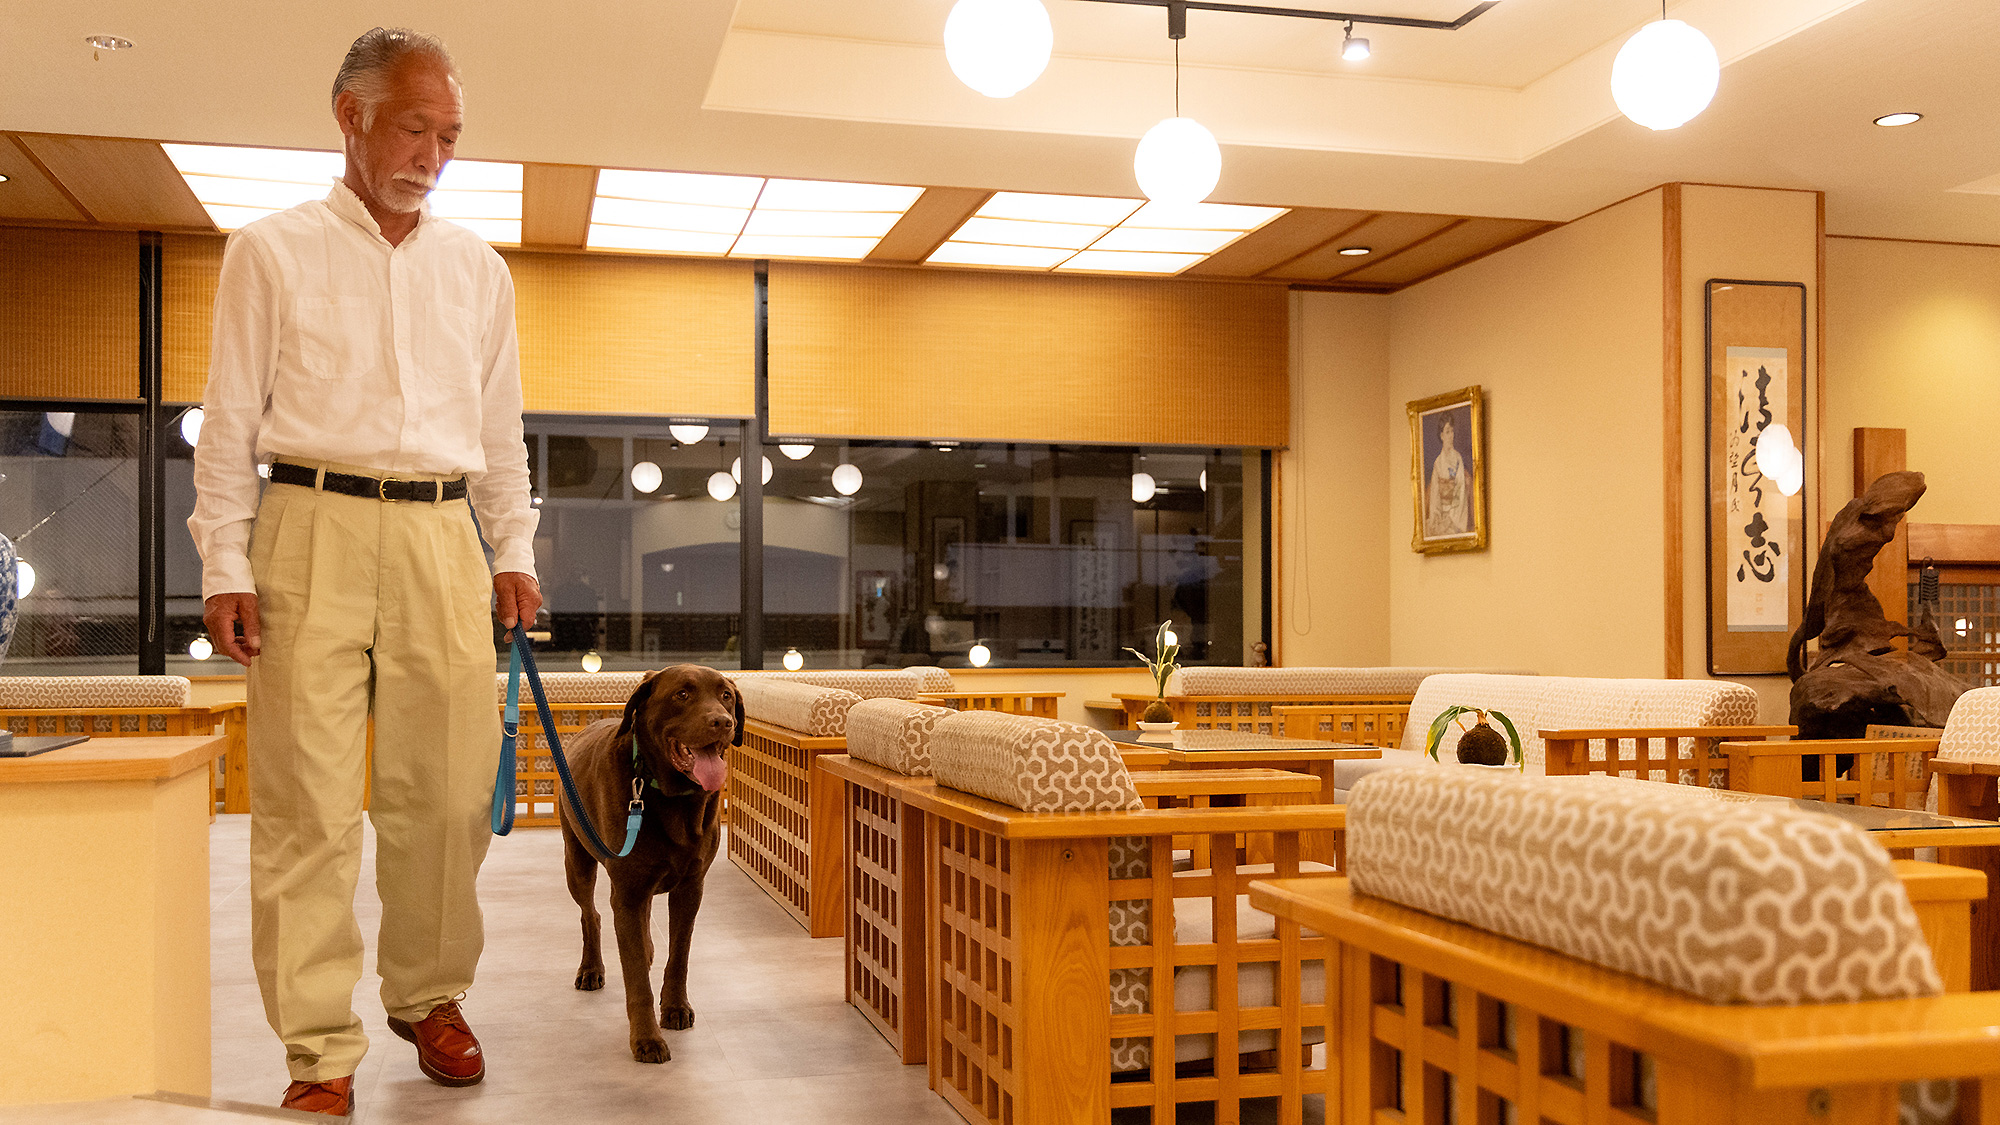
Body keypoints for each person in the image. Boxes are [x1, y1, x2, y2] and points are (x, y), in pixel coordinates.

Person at [187, 27, 540, 1118]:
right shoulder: (271, 250)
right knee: (306, 806)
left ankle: (429, 994)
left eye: (449, 135)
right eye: (414, 126)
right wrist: (224, 563)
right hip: (308, 529)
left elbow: (499, 429)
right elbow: (228, 423)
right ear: (349, 115)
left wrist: (513, 548)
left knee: (441, 794)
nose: (433, 152)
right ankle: (318, 1048)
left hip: (442, 540)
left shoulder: (476, 268)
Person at [1425, 415, 1472, 538]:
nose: (1451, 435)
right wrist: (1436, 516)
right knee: (1430, 528)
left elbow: (1460, 488)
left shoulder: (1457, 459)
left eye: (1452, 431)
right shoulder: (1438, 463)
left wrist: (1451, 518)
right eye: (1447, 432)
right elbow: (1435, 494)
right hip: (1441, 514)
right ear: (1441, 436)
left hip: (1455, 515)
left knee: (1450, 532)